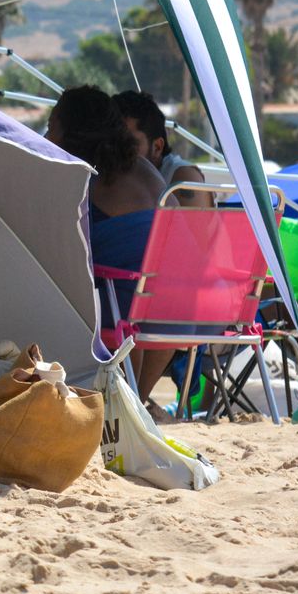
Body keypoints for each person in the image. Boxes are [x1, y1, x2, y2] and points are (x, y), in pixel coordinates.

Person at [46, 85, 179, 396]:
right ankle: (137, 400)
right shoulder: (142, 166)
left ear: (74, 133)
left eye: (52, 127)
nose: (46, 137)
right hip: (174, 308)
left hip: (124, 308)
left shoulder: (84, 178)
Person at [113, 90, 213, 208]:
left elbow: (196, 226)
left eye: (128, 143)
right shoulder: (107, 175)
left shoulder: (183, 179)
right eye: (111, 141)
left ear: (157, 147)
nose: (116, 149)